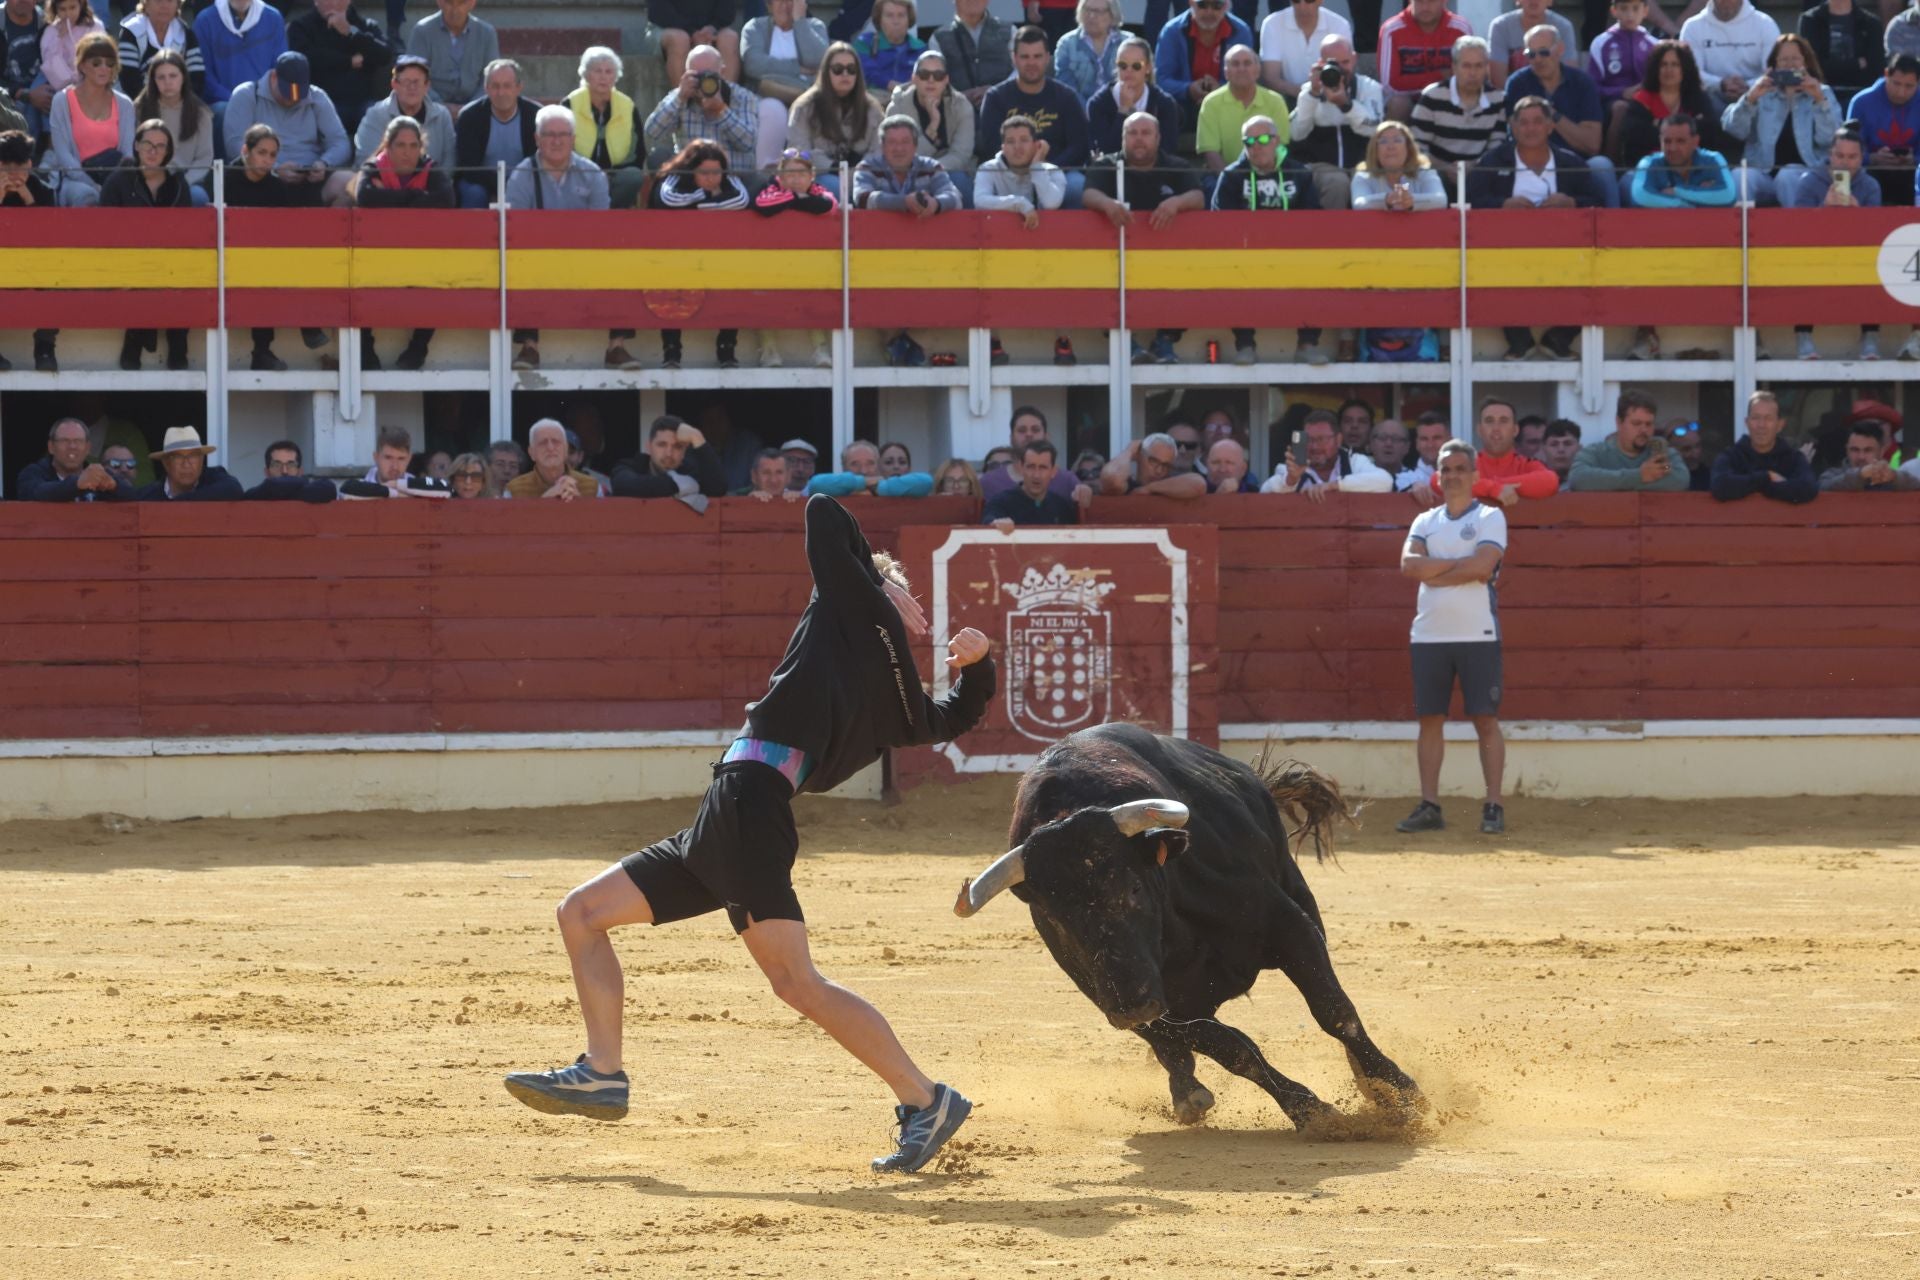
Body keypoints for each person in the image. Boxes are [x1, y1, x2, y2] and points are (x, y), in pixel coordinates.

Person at [503, 494, 995, 1175]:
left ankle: (925, 1097)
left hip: (749, 809)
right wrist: (981, 665)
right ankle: (603, 1072)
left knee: (797, 980)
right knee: (582, 913)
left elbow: (825, 512)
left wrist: (875, 581)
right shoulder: (897, 695)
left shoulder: (849, 607)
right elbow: (949, 719)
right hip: (731, 815)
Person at [1396, 438, 1509, 837]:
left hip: (1478, 633)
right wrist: (1460, 568)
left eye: (1460, 468)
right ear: (1438, 476)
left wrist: (1435, 571)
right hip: (1428, 634)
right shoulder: (1425, 521)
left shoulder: (1490, 517)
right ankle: (1430, 804)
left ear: (1475, 475)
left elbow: (1483, 566)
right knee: (1430, 719)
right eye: (1446, 469)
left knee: (1485, 719)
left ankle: (1493, 803)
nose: (1453, 475)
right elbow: (1409, 567)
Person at [1468, 98, 1596, 361]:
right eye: (1523, 122)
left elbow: (1598, 202)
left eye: (1538, 121)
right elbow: (1469, 200)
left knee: (1596, 269)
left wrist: (1571, 203)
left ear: (1550, 126)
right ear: (1512, 127)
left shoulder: (1571, 163)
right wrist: (1501, 205)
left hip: (1565, 251)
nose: (1531, 128)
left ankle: (1560, 338)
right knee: (1487, 269)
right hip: (1505, 252)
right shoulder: (1493, 161)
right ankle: (1519, 340)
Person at [505, 106, 619, 373]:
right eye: (549, 135)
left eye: (563, 135)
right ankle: (529, 346)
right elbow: (517, 229)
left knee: (619, 266)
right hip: (536, 257)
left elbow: (601, 226)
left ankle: (617, 345)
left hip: (585, 256)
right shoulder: (522, 174)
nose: (556, 141)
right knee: (518, 267)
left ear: (573, 139)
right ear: (537, 139)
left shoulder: (592, 173)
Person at [1084, 111, 1201, 365]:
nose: (1139, 139)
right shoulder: (1106, 164)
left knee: (1190, 275)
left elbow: (1199, 197)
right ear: (1123, 137)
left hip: (1168, 260)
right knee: (1096, 278)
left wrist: (1177, 202)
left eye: (1146, 133)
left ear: (1158, 138)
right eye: (1133, 133)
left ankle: (1165, 342)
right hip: (1116, 260)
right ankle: (1128, 344)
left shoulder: (1175, 166)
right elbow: (1088, 193)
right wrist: (1107, 203)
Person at [1211, 112, 1323, 366]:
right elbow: (1219, 223)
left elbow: (1314, 219)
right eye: (1248, 142)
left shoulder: (1299, 173)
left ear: (1277, 140)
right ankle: (1245, 345)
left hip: (1293, 253)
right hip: (1245, 255)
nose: (1256, 146)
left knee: (1317, 268)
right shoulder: (1230, 176)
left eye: (1262, 139)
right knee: (1233, 273)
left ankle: (1307, 344)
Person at [352, 114, 449, 371]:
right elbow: (366, 197)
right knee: (356, 281)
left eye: (413, 146)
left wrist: (393, 196)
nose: (407, 153)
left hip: (421, 256)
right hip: (376, 255)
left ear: (421, 147)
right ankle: (365, 349)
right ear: (388, 146)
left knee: (439, 281)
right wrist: (416, 197)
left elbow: (446, 199)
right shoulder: (373, 167)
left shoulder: (431, 168)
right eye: (400, 146)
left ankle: (418, 348)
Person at [647, 140, 752, 370]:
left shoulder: (729, 178)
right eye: (704, 172)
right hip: (676, 254)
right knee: (672, 293)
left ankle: (726, 349)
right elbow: (668, 199)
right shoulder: (675, 175)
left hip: (719, 254)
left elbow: (741, 200)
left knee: (731, 288)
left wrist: (695, 206)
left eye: (716, 172)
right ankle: (671, 351)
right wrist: (707, 197)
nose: (712, 178)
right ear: (691, 169)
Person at [1781, 130, 1881, 360]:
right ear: (1830, 155)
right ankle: (1803, 335)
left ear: (1861, 158)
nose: (1845, 163)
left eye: (1852, 157)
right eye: (1840, 156)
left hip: (1857, 254)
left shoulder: (1870, 185)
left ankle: (1870, 336)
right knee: (1802, 269)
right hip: (1817, 253)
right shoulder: (1808, 181)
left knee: (1874, 268)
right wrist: (1824, 210)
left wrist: (1859, 214)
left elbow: (1876, 233)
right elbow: (1796, 230)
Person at [102, 118, 190, 371]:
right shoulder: (118, 181)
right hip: (127, 260)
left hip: (170, 261)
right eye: (148, 144)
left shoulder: (177, 183)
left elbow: (185, 231)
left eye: (161, 146)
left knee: (183, 275)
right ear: (136, 146)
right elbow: (105, 228)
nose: (153, 151)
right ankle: (136, 339)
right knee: (143, 275)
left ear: (168, 151)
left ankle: (177, 344)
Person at [1721, 33, 1841, 206]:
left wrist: (1819, 101)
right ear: (1774, 65)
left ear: (1806, 63)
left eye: (1795, 59)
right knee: (1741, 175)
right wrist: (1750, 99)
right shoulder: (1761, 91)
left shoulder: (1822, 92)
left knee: (1787, 174)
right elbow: (1734, 129)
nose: (1790, 65)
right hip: (1763, 173)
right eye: (1784, 60)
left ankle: (1795, 230)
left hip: (1804, 175)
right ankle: (1742, 230)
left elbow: (1830, 140)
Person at [1505, 23, 1617, 207]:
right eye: (1531, 55)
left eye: (1543, 52)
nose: (1538, 59)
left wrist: (1551, 114)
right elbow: (1518, 137)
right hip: (1531, 163)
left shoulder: (1582, 83)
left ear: (1560, 50)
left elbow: (1592, 144)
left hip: (1576, 164)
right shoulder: (1517, 84)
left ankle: (1612, 230)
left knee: (1601, 165)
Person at [223, 50, 352, 206]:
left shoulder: (318, 97)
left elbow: (340, 142)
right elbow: (234, 145)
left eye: (299, 94)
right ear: (273, 77)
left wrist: (324, 164)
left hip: (309, 181)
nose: (293, 99)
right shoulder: (247, 94)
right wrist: (273, 168)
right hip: (264, 180)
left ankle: (330, 231)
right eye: (287, 92)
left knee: (349, 184)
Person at [975, 23, 1090, 198]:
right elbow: (991, 146)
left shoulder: (1066, 97)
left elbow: (1079, 146)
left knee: (1077, 188)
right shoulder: (996, 97)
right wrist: (1021, 170)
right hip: (1008, 174)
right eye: (1025, 57)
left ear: (1047, 58)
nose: (1031, 63)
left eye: (1037, 56)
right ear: (1014, 58)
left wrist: (1044, 169)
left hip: (1056, 173)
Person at [755, 148, 838, 368]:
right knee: (765, 298)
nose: (795, 179)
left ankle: (820, 348)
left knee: (814, 295)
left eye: (801, 174)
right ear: (779, 177)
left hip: (807, 261)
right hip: (771, 261)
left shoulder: (818, 188)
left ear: (811, 176)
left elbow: (828, 205)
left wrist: (791, 201)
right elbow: (763, 205)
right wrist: (796, 197)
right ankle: (769, 349)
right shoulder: (771, 188)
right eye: (790, 174)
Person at [644, 41, 767, 176]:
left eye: (708, 75)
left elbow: (748, 143)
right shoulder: (680, 96)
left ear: (722, 73)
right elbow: (652, 132)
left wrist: (722, 111)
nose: (703, 81)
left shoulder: (743, 97)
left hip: (733, 176)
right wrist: (679, 98)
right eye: (696, 75)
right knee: (658, 157)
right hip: (691, 177)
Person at [1290, 33, 1382, 209]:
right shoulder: (1309, 91)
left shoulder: (1369, 88)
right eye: (1333, 64)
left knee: (1366, 178)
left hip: (1362, 162)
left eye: (1345, 62)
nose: (1339, 70)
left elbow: (1375, 130)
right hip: (1320, 165)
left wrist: (1347, 105)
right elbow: (1296, 133)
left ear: (1354, 59)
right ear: (1321, 63)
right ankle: (1332, 235)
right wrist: (1313, 95)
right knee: (1336, 182)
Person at [47, 31, 131, 206]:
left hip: (115, 179)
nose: (104, 68)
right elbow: (63, 154)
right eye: (96, 63)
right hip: (74, 179)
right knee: (86, 196)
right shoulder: (61, 100)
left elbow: (128, 153)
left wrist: (110, 186)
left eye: (109, 64)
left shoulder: (125, 104)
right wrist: (92, 184)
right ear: (83, 65)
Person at [1410, 34, 1505, 186]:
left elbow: (1496, 147)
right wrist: (1445, 168)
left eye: (1479, 66)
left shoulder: (1497, 99)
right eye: (1466, 66)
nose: (1473, 73)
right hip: (1435, 175)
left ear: (1487, 68)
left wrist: (1475, 166)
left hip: (1479, 175)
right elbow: (1415, 146)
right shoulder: (1432, 96)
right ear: (1454, 67)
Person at [1616, 38, 1724, 169]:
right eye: (1663, 64)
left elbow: (1709, 132)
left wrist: (1658, 125)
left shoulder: (1699, 98)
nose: (1669, 70)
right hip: (1649, 171)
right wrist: (1688, 129)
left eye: (1675, 64)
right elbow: (1635, 137)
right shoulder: (1641, 100)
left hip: (1692, 172)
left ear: (1685, 68)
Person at [286, 0, 390, 136]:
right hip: (320, 103)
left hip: (362, 103)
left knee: (378, 115)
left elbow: (385, 55)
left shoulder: (365, 25)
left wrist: (350, 31)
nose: (333, 3)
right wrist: (348, 61)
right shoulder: (301, 27)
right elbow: (305, 58)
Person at [787, 41, 881, 187]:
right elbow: (799, 152)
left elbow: (879, 152)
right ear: (826, 72)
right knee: (834, 186)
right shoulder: (804, 107)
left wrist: (859, 169)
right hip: (820, 177)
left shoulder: (873, 109)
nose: (845, 74)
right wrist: (834, 168)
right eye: (838, 69)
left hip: (863, 176)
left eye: (851, 69)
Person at [1437, 395, 1560, 506]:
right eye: (1489, 421)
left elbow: (1550, 481)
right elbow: (1436, 479)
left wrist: (1492, 484)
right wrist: (1493, 489)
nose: (1496, 428)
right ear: (1480, 430)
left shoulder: (1525, 464)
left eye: (1503, 421)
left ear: (1515, 430)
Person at [566, 46, 646, 209]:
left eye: (609, 72)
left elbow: (638, 153)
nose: (603, 77)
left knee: (634, 176)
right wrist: (591, 172)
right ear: (586, 74)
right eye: (597, 71)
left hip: (615, 177)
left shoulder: (627, 106)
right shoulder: (570, 104)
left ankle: (608, 214)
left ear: (616, 76)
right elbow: (562, 146)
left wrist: (609, 174)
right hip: (578, 174)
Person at [1156, 0, 1254, 129]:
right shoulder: (1172, 31)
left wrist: (1221, 89)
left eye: (1216, 6)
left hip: (1227, 103)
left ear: (1226, 6)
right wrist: (1188, 89)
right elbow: (1161, 79)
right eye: (1202, 5)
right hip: (1181, 106)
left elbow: (1247, 79)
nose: (1209, 12)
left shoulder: (1240, 31)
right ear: (1191, 3)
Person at [1568, 388, 1690, 490]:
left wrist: (1614, 485)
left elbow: (1679, 478)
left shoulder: (1664, 455)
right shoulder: (1597, 453)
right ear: (1619, 422)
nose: (1644, 430)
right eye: (1636, 423)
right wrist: (1639, 476)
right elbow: (1578, 478)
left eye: (1649, 424)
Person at [452, 57, 535, 207]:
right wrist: (498, 188)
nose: (501, 92)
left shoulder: (536, 116)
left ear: (519, 87)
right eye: (495, 86)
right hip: (479, 182)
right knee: (473, 193)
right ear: (486, 88)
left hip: (525, 181)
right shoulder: (469, 116)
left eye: (507, 86)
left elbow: (538, 164)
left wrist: (512, 187)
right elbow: (468, 166)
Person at [1710, 390, 1817, 503]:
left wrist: (1764, 486)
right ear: (1747, 423)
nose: (1761, 425)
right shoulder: (1731, 456)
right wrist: (1766, 477)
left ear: (1780, 425)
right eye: (1755, 418)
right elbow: (1719, 486)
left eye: (1768, 418)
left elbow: (1808, 488)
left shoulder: (1793, 458)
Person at [1197, 43, 1289, 174]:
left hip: (1269, 174)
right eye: (1235, 64)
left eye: (1247, 63)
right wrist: (1231, 181)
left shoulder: (1276, 101)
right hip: (1224, 176)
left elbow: (1280, 147)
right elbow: (1211, 152)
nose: (1241, 69)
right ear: (1226, 72)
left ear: (1258, 71)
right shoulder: (1211, 103)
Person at [1259, 407, 1392, 497]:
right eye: (1309, 440)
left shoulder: (1355, 462)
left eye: (1322, 439)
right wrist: (1291, 480)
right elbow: (1264, 492)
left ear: (1338, 440)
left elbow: (1386, 481)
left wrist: (1334, 486)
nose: (1315, 446)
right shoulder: (1290, 469)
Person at [1086, 34, 1180, 157]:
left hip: (1154, 172)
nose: (1128, 71)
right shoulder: (1098, 103)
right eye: (1123, 65)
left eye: (1136, 66)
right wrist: (1123, 110)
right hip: (1113, 172)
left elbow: (1168, 150)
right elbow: (1106, 152)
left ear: (1148, 68)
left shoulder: (1164, 104)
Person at [132, 47, 210, 195]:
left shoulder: (201, 112)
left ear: (183, 77)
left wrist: (181, 184)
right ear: (153, 80)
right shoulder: (139, 108)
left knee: (198, 196)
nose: (167, 82)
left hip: (185, 179)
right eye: (161, 77)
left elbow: (204, 158)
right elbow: (133, 152)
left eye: (173, 76)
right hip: (146, 178)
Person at [887, 47, 975, 178]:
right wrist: (932, 127)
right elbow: (901, 156)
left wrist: (932, 170)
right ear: (914, 78)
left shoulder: (961, 106)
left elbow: (961, 154)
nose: (931, 80)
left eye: (938, 76)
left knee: (958, 178)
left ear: (946, 80)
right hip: (910, 174)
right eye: (924, 75)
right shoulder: (897, 108)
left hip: (950, 171)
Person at [852, 111, 962, 213]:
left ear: (915, 145)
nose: (899, 148)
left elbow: (955, 197)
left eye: (905, 142)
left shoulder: (931, 167)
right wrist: (903, 202)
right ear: (882, 146)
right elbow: (862, 199)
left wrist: (935, 204)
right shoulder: (867, 167)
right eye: (892, 142)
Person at [1626, 110, 1736, 211]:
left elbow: (1728, 195)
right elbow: (1640, 197)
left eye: (1680, 141)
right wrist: (1684, 205)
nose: (1673, 148)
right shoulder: (1649, 162)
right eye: (1667, 141)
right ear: (1660, 141)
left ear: (1695, 141)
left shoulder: (1713, 159)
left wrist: (1677, 192)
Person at [1848, 53, 1920, 207]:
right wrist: (1872, 158)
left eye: (1909, 86)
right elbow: (1848, 145)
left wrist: (1914, 160)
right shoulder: (1861, 102)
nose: (1901, 92)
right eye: (1896, 83)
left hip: (1913, 173)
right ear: (1886, 74)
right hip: (1872, 171)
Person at [1379, 0, 1472, 118]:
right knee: (1398, 103)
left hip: (1449, 97)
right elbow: (1390, 85)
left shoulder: (1461, 29)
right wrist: (1440, 76)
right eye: (1420, 1)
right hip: (1409, 102)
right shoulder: (1391, 29)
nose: (1425, 7)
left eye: (1431, 1)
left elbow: (1469, 75)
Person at [1679, 0, 1779, 110]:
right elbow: (1691, 71)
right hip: (1710, 99)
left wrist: (1749, 86)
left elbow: (1773, 70)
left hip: (1758, 98)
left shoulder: (1765, 24)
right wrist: (1720, 84)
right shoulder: (1692, 27)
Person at [979, 404, 1087, 505]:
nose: (1029, 434)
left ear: (1046, 437)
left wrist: (1085, 491)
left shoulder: (1067, 481)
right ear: (1011, 438)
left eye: (1035, 430)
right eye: (1022, 430)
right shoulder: (988, 482)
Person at [355, 52, 450, 166]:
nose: (412, 87)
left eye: (417, 82)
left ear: (427, 86)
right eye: (406, 82)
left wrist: (436, 182)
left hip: (433, 182)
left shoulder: (442, 116)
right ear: (394, 84)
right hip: (385, 182)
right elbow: (365, 163)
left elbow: (450, 161)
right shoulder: (375, 115)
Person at [193, 0, 285, 111]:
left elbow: (279, 68)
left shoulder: (273, 18)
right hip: (223, 104)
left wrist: (261, 100)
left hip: (264, 103)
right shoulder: (205, 21)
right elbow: (204, 75)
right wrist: (236, 99)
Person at [610, 416, 729, 499]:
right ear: (648, 447)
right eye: (662, 445)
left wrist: (697, 437)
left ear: (684, 451)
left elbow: (718, 489)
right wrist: (677, 485)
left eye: (677, 447)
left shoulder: (691, 471)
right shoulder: (630, 466)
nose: (669, 453)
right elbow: (623, 486)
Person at [17, 416, 133, 501]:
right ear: (51, 447)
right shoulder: (33, 473)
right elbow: (36, 493)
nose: (72, 446)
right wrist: (77, 484)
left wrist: (113, 486)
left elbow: (133, 495)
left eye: (78, 441)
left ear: (88, 448)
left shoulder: (96, 474)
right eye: (64, 440)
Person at [405, 0, 496, 108]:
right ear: (439, 2)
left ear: (472, 2)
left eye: (462, 3)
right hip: (430, 108)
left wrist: (471, 108)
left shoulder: (486, 33)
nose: (455, 9)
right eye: (449, 2)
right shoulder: (422, 31)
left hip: (477, 109)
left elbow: (492, 78)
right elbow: (413, 76)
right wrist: (441, 107)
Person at [742, 0, 827, 112]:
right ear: (769, 6)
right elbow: (753, 64)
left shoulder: (815, 26)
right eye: (780, 1)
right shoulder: (755, 27)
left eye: (791, 1)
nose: (785, 5)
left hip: (808, 101)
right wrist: (797, 68)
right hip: (767, 98)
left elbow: (818, 60)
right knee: (771, 106)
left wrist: (800, 21)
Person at [1261, 0, 1353, 100]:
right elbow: (1271, 78)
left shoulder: (1340, 25)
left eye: (1309, 0)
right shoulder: (1272, 23)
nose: (1302, 6)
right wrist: (1308, 94)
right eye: (1296, 1)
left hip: (1331, 98)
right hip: (1288, 98)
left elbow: (1345, 71)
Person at [1351, 116, 1445, 210]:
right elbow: (1358, 203)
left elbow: (1441, 200)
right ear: (1375, 150)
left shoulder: (1425, 173)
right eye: (1383, 141)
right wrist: (1386, 200)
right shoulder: (1362, 176)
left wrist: (1411, 201)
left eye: (1397, 140)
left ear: (1408, 148)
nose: (1391, 146)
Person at [1799, 0, 1881, 105]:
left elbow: (1876, 69)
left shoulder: (1871, 23)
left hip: (1860, 95)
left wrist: (1830, 66)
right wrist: (1856, 64)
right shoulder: (1810, 20)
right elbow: (1813, 66)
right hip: (1820, 94)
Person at [117, 0, 202, 101]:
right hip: (137, 105)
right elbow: (129, 81)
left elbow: (196, 77)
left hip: (179, 104)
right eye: (158, 1)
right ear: (146, 4)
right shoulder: (131, 32)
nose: (164, 6)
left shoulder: (187, 34)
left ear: (178, 5)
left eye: (170, 1)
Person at [933, 0, 1013, 108]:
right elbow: (935, 80)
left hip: (1005, 110)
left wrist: (996, 90)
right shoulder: (938, 38)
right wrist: (958, 96)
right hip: (957, 113)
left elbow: (1020, 72)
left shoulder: (1010, 31)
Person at [1591, 0, 1655, 133]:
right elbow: (1592, 87)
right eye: (1624, 9)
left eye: (1635, 9)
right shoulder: (1601, 43)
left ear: (1645, 11)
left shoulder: (1654, 45)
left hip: (1647, 99)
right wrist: (1621, 92)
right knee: (1621, 108)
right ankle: (1611, 153)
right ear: (1614, 11)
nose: (1630, 15)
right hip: (1612, 102)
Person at [985, 438, 1080, 528]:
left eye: (1043, 467)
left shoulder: (1061, 506)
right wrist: (996, 524)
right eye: (1031, 467)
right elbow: (989, 522)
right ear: (1021, 468)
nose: (1036, 475)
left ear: (1053, 471)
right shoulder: (1000, 502)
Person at [505, 418, 603, 501]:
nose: (550, 448)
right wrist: (544, 503)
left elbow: (601, 523)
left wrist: (579, 504)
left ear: (565, 450)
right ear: (532, 453)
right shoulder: (514, 489)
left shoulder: (592, 486)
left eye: (556, 441)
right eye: (543, 442)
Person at [137, 426, 244, 500]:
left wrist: (180, 502)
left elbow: (234, 489)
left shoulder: (214, 477)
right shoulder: (149, 494)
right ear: (166, 463)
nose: (186, 464)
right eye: (178, 457)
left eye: (193, 456)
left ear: (202, 460)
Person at [653, 0, 741, 87]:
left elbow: (727, 8)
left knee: (730, 38)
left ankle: (727, 96)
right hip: (666, 26)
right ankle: (682, 97)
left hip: (710, 29)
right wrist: (691, 32)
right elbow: (659, 11)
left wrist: (713, 27)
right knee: (680, 40)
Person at [1099, 431, 1209, 497]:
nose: (1159, 470)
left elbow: (1199, 485)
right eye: (1153, 461)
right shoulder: (1125, 485)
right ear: (1139, 456)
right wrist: (1130, 451)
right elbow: (1111, 479)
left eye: (1166, 465)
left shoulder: (1172, 487)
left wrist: (1149, 488)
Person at [1054, 0, 1124, 104]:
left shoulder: (1127, 43)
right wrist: (1088, 112)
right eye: (1087, 10)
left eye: (1098, 11)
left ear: (1112, 15)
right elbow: (1066, 87)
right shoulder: (1067, 44)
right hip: (1078, 111)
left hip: (1119, 108)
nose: (1091, 16)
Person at [807, 440, 935, 496]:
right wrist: (863, 482)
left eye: (870, 463)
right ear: (844, 467)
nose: (863, 470)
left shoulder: (893, 488)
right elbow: (816, 484)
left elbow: (926, 481)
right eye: (854, 464)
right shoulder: (836, 488)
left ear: (878, 465)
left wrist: (880, 488)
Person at [1487, 0, 1577, 78]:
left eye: (1544, 52)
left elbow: (1569, 73)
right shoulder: (1500, 26)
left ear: (1550, 0)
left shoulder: (1563, 27)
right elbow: (1497, 78)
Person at [1819, 420, 1920, 489]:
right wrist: (1861, 475)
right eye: (1855, 450)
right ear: (1847, 450)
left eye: (1868, 450)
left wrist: (1894, 477)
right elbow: (1823, 486)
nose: (1861, 456)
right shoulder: (1831, 475)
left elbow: (1916, 486)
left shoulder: (1889, 477)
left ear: (1882, 451)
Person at [854, 0, 924, 96]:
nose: (896, 21)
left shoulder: (921, 48)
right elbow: (868, 73)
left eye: (901, 15)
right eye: (889, 15)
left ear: (909, 19)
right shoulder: (864, 43)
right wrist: (894, 86)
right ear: (879, 20)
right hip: (874, 100)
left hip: (909, 99)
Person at [40, 0, 104, 97]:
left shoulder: (94, 26)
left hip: (91, 85)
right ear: (55, 9)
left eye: (72, 8)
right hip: (61, 90)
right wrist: (59, 38)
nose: (68, 14)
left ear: (81, 5)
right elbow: (50, 65)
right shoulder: (51, 32)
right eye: (63, 9)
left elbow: (101, 57)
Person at [246, 438, 337, 501]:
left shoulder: (317, 490)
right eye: (277, 465)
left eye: (291, 465)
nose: (284, 471)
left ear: (300, 471)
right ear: (267, 472)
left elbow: (328, 488)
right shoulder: (255, 495)